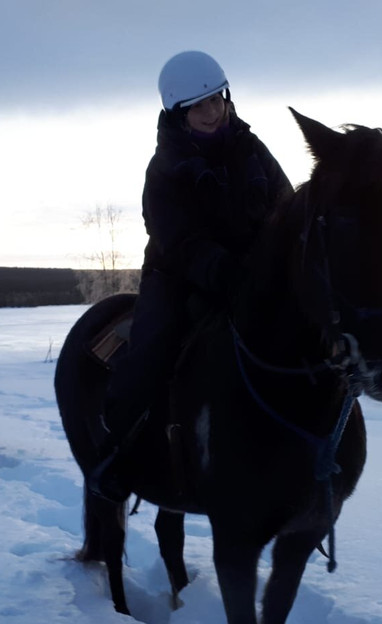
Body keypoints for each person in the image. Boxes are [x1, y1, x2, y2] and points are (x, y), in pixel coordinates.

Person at [88, 50, 293, 502]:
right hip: (178, 276)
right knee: (151, 349)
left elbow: (285, 206)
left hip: (251, 274)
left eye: (217, 98)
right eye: (199, 105)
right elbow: (174, 239)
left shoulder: (252, 149)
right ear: (179, 113)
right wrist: (222, 269)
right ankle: (117, 450)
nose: (212, 110)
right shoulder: (164, 168)